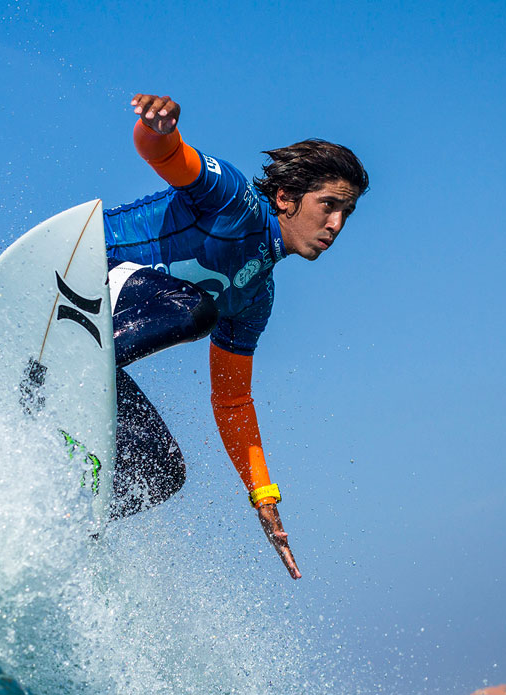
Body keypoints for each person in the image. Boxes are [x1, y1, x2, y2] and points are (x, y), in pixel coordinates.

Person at [104, 94, 368, 580]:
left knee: (160, 473)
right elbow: (163, 154)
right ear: (287, 197)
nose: (336, 225)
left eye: (346, 214)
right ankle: (64, 367)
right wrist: (157, 127)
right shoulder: (233, 198)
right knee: (194, 312)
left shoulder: (255, 298)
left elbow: (232, 401)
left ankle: (61, 522)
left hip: (100, 344)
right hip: (80, 272)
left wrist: (263, 496)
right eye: (328, 205)